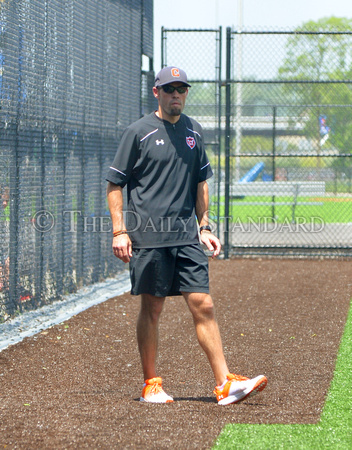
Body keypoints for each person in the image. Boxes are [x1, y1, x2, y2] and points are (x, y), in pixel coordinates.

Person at [106, 66, 267, 405]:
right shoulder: (138, 132)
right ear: (157, 93)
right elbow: (114, 184)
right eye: (169, 89)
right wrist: (120, 231)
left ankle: (224, 384)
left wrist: (204, 225)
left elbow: (200, 182)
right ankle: (151, 384)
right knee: (152, 308)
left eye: (181, 89)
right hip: (148, 237)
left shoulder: (194, 130)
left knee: (203, 303)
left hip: (186, 236)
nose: (176, 94)